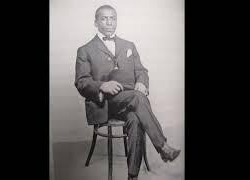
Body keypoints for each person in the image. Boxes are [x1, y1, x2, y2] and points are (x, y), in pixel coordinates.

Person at [74, 5, 181, 180]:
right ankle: (163, 147)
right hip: (105, 104)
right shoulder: (85, 50)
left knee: (136, 118)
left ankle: (132, 176)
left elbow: (142, 71)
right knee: (137, 99)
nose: (109, 22)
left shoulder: (128, 45)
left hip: (131, 101)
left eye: (113, 18)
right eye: (104, 18)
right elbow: (81, 82)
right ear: (95, 22)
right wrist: (102, 85)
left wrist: (141, 82)